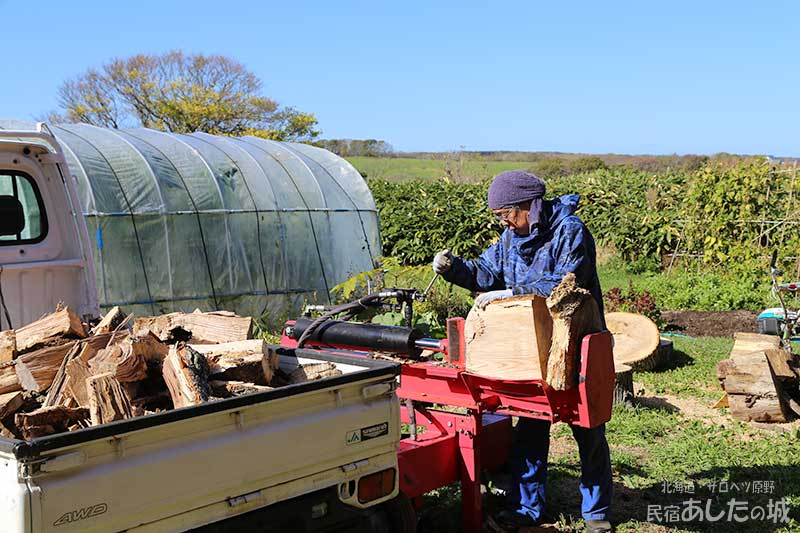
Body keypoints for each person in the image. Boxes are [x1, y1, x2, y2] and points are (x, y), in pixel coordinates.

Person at [432, 170, 613, 533]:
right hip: (531, 347)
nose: (506, 224)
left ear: (530, 205)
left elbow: (566, 283)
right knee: (529, 427)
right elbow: (485, 273)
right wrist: (453, 269)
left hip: (575, 339)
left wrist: (510, 291)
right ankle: (528, 508)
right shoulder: (510, 237)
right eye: (500, 218)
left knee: (588, 432)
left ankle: (596, 513)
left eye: (508, 215)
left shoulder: (570, 231)